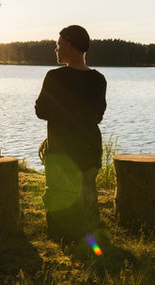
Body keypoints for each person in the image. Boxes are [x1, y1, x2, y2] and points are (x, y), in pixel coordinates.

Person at [35, 25, 107, 240]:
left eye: (58, 45)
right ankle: (90, 235)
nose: (55, 49)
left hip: (62, 152)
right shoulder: (98, 79)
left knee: (60, 197)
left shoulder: (54, 77)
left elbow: (41, 111)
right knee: (87, 195)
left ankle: (63, 237)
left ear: (72, 46)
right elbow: (97, 115)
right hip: (89, 150)